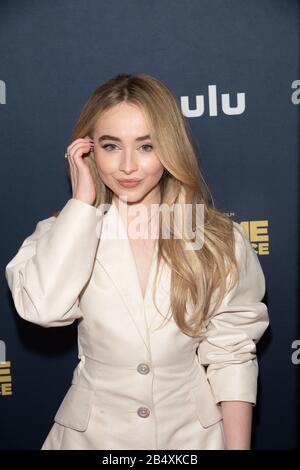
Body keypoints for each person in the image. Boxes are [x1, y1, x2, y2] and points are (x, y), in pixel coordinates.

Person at [5, 73, 269, 450]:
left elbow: (233, 355)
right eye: (111, 146)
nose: (128, 166)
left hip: (194, 440)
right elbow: (42, 309)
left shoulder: (218, 238)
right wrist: (82, 202)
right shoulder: (62, 233)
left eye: (146, 146)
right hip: (92, 440)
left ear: (170, 148)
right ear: (88, 149)